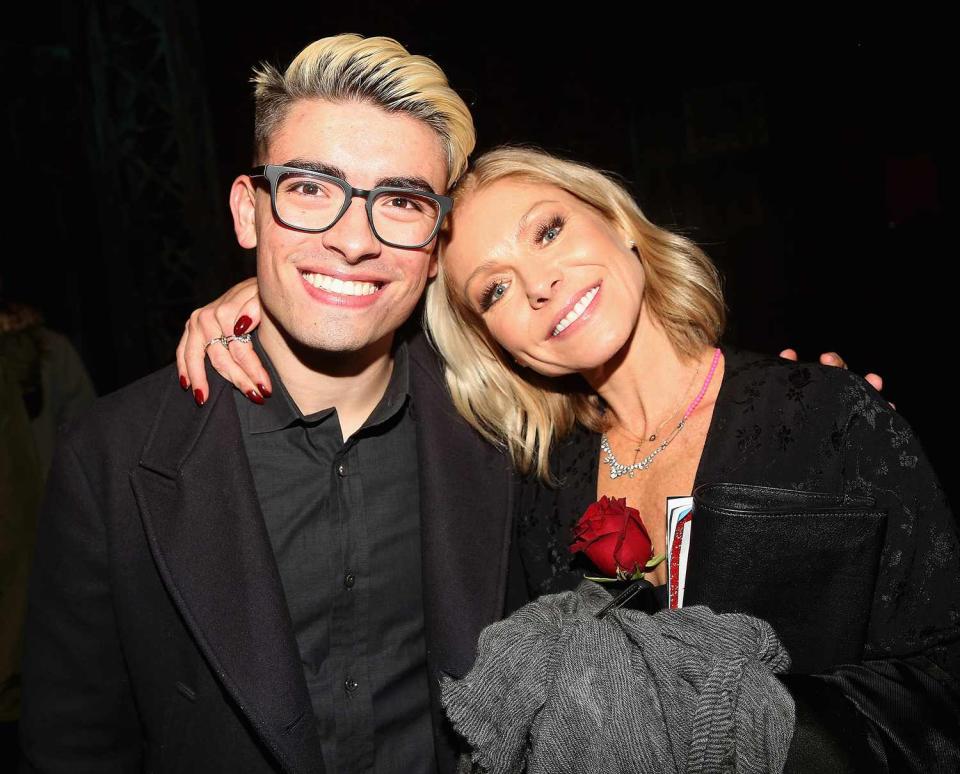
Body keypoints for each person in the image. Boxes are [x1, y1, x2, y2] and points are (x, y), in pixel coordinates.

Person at [190, 147, 959, 772]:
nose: (539, 285)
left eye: (548, 231)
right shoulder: (532, 483)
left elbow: (943, 686)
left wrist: (754, 735)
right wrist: (268, 296)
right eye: (493, 291)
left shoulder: (823, 417)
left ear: (618, 222)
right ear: (491, 343)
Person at [19, 34, 508, 774]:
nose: (352, 240)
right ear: (250, 213)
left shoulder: (501, 428)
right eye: (311, 189)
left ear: (436, 246)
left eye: (400, 202)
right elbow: (73, 746)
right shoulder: (112, 456)